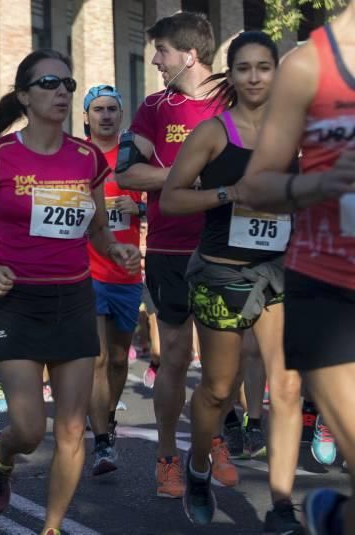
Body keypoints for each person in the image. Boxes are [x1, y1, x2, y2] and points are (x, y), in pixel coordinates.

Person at [0, 49, 140, 534]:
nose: (61, 91)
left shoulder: (86, 158)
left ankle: (52, 526)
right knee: (30, 429)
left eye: (68, 84)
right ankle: (1, 455)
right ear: (24, 96)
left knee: (74, 427)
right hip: (16, 301)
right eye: (50, 83)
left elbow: (97, 228)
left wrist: (114, 249)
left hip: (74, 298)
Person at [160, 31, 302, 532]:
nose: (255, 77)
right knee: (219, 390)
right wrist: (230, 191)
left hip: (279, 271)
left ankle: (281, 504)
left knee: (285, 387)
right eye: (244, 68)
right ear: (232, 75)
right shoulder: (213, 133)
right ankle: (198, 469)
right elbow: (172, 198)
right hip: (222, 272)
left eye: (264, 67)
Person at [232, 4, 355, 532]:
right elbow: (257, 184)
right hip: (328, 290)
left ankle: (337, 515)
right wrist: (317, 185)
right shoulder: (310, 66)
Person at [115, 11, 232, 498]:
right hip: (169, 249)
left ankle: (213, 439)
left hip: (226, 249)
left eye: (161, 52)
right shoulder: (153, 108)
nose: (156, 62)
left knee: (223, 370)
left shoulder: (233, 103)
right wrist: (186, 173)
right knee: (178, 357)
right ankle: (167, 456)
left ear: (188, 55)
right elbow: (126, 174)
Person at [81, 84, 145, 476]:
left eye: (112, 109)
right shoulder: (79, 155)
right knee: (99, 358)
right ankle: (102, 442)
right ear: (86, 116)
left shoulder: (133, 155)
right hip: (88, 271)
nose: (105, 115)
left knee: (119, 358)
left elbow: (165, 198)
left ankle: (107, 418)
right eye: (98, 109)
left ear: (120, 115)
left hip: (127, 271)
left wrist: (135, 204)